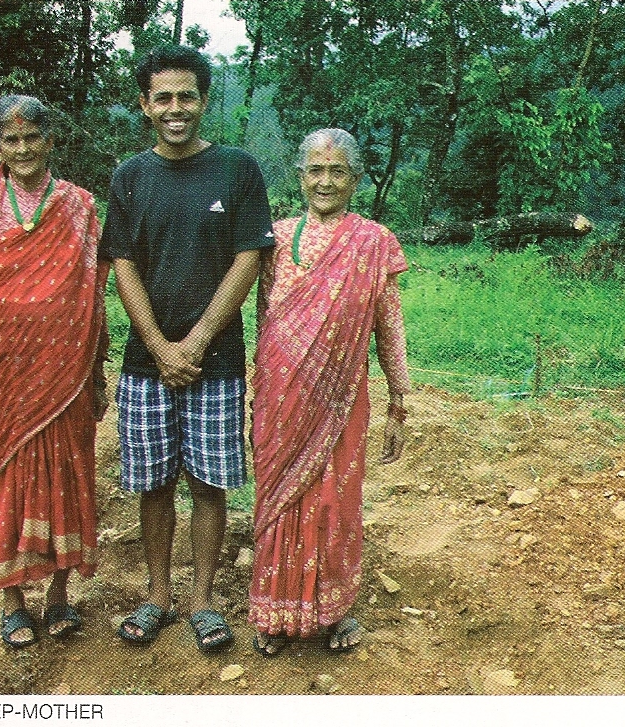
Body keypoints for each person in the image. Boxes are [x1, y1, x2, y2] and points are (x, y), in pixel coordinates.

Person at [99, 45, 274, 652]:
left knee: (208, 484)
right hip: (146, 365)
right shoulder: (129, 176)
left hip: (215, 361)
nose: (177, 109)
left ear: (204, 101)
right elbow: (122, 264)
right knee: (153, 484)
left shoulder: (238, 170)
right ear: (145, 106)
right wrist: (158, 344)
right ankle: (157, 595)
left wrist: (196, 340)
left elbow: (249, 256)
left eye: (188, 97)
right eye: (163, 98)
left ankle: (200, 599)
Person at [0, 95, 110, 648]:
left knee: (68, 474)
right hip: (2, 372)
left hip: (65, 370)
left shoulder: (80, 205)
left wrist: (97, 369)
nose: (23, 149)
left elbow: (94, 289)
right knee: (9, 480)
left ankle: (60, 597)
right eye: (11, 141)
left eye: (32, 138)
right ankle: (14, 602)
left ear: (49, 140)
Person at [249, 128, 410, 657]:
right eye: (315, 170)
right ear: (299, 177)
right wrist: (260, 384)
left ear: (355, 179)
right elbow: (265, 317)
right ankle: (274, 612)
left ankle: (334, 610)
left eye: (336, 171)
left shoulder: (373, 241)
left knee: (336, 500)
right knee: (277, 498)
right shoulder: (276, 236)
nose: (325, 181)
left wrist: (399, 398)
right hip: (280, 392)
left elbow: (389, 323)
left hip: (341, 397)